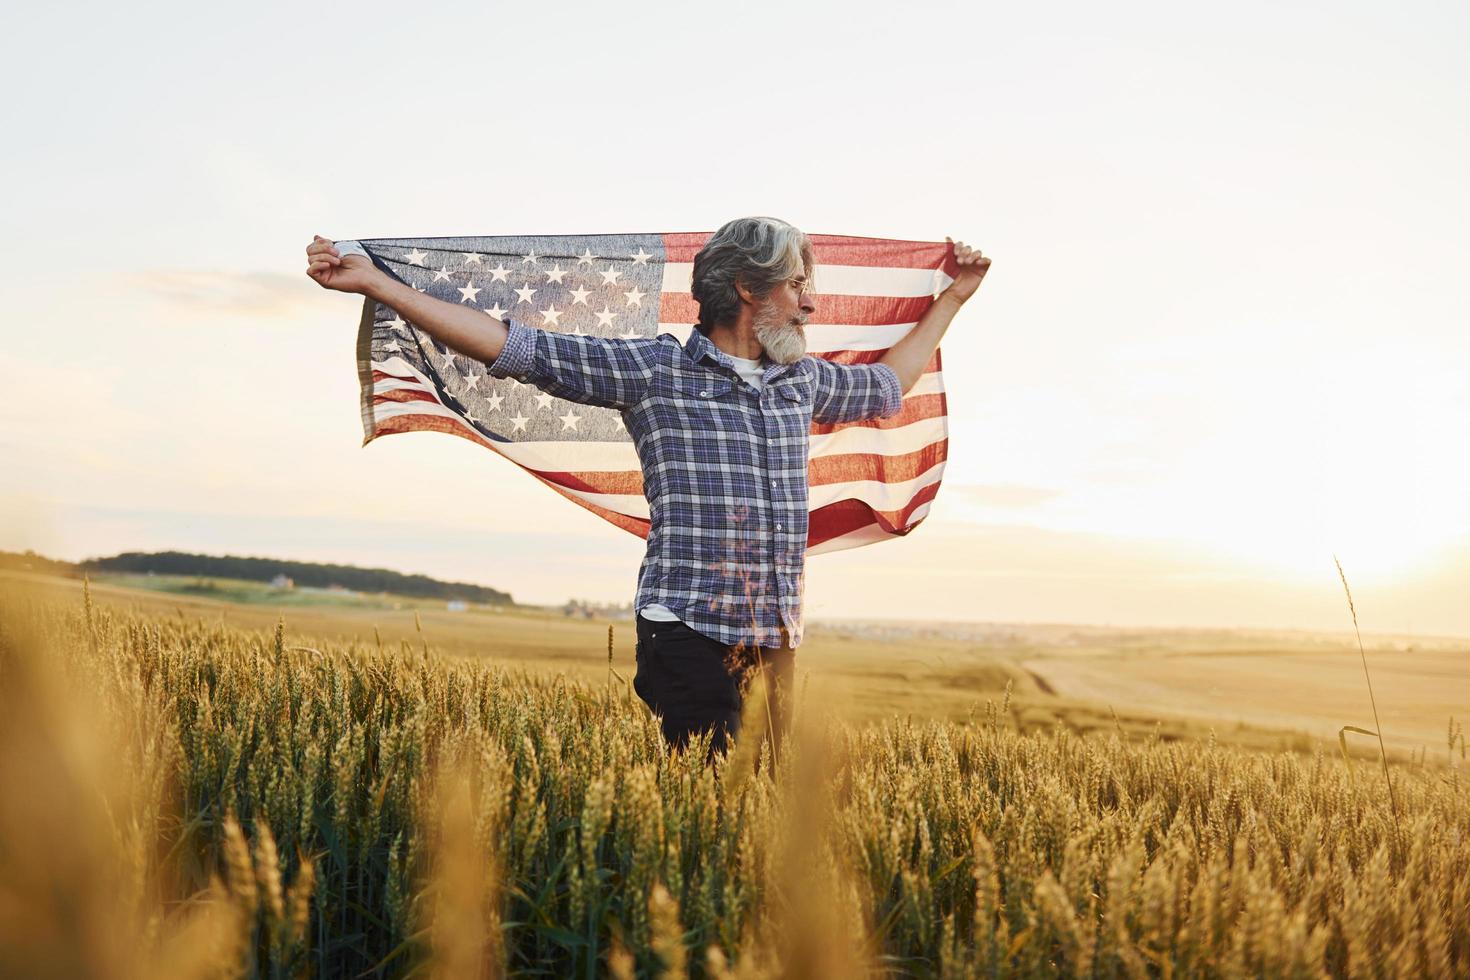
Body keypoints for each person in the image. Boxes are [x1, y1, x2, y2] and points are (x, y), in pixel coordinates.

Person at [305, 217, 989, 758]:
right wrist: (376, 285)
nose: (810, 302)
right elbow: (513, 347)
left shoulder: (801, 380)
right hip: (686, 634)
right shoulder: (655, 370)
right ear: (749, 288)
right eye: (797, 284)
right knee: (715, 797)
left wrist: (954, 296)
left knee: (763, 811)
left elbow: (891, 383)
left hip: (774, 639)